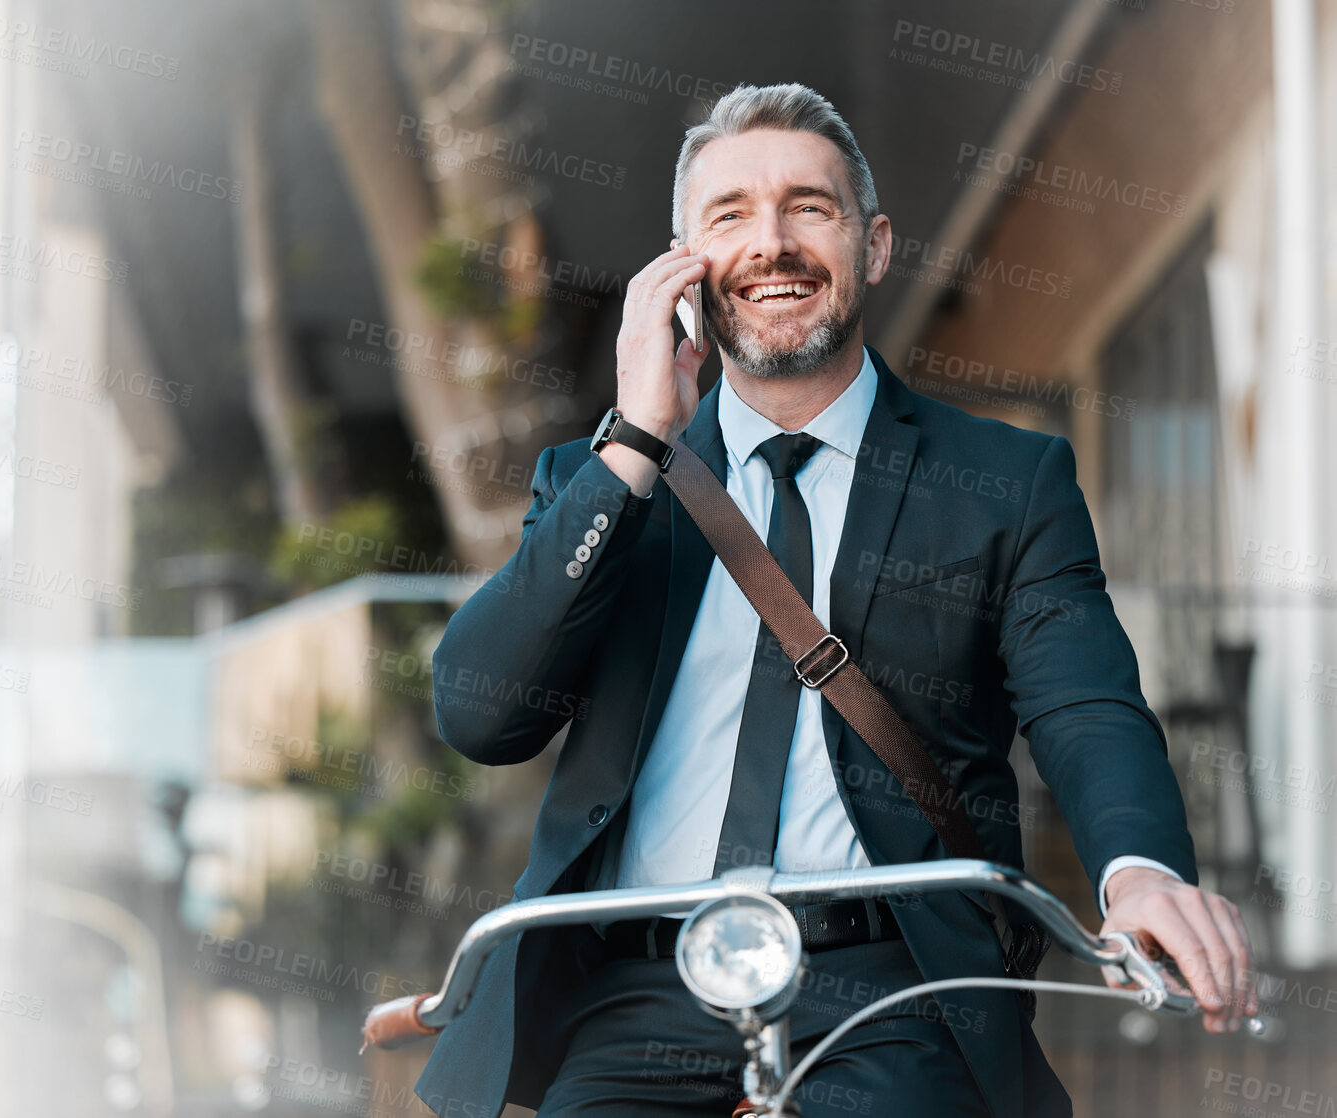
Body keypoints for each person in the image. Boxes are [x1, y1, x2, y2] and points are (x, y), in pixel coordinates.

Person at [414, 83, 1256, 1118]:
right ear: (682, 267)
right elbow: (480, 714)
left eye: (808, 206)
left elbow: (1082, 701)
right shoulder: (600, 477)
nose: (770, 242)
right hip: (636, 993)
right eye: (728, 216)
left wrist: (1139, 874)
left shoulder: (1004, 479)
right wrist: (634, 442)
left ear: (877, 244)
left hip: (898, 989)